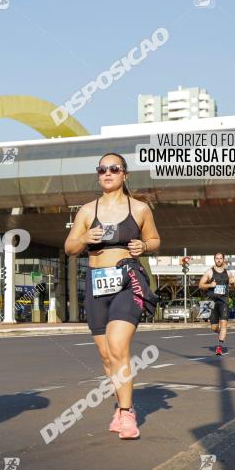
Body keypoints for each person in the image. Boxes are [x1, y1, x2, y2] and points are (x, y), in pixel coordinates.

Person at [64, 152, 160, 440]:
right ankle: (120, 406)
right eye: (102, 169)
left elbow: (155, 239)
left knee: (118, 347)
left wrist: (144, 246)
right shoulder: (86, 211)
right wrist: (82, 239)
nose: (107, 173)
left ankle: (128, 414)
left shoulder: (140, 209)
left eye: (114, 168)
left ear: (124, 175)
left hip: (127, 281)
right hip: (96, 283)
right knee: (107, 357)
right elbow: (69, 247)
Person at [199, 253, 235, 356]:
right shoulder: (209, 272)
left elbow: (234, 284)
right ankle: (220, 333)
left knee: (224, 324)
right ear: (214, 260)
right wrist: (210, 284)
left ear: (223, 260)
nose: (219, 260)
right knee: (214, 328)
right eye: (217, 258)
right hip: (211, 301)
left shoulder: (228, 273)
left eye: (220, 258)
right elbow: (200, 285)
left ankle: (219, 347)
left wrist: (233, 282)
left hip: (224, 301)